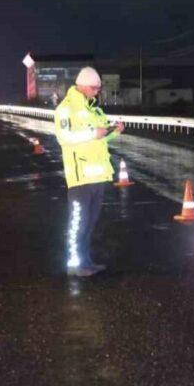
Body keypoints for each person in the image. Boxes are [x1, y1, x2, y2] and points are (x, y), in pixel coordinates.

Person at [53, 67, 124, 277]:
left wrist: (113, 133)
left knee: (90, 223)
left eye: (99, 88)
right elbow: (65, 138)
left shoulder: (95, 110)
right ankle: (74, 264)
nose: (97, 91)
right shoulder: (66, 109)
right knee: (78, 223)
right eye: (94, 87)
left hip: (98, 177)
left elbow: (99, 139)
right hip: (80, 178)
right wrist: (93, 132)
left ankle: (86, 262)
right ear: (82, 85)